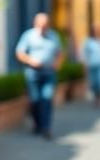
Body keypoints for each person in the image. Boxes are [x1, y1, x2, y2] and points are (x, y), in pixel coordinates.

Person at [15, 12, 63, 140]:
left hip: (48, 72)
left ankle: (46, 127)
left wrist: (57, 64)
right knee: (35, 100)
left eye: (45, 25)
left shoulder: (54, 36)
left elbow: (59, 53)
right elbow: (20, 53)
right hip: (33, 73)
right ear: (35, 24)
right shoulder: (28, 36)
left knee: (46, 99)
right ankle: (37, 124)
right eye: (41, 25)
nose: (43, 28)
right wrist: (31, 61)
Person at [81, 25, 100, 107]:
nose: (96, 32)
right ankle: (96, 97)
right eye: (95, 30)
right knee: (94, 83)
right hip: (92, 65)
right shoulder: (88, 41)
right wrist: (85, 65)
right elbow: (84, 54)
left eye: (98, 30)